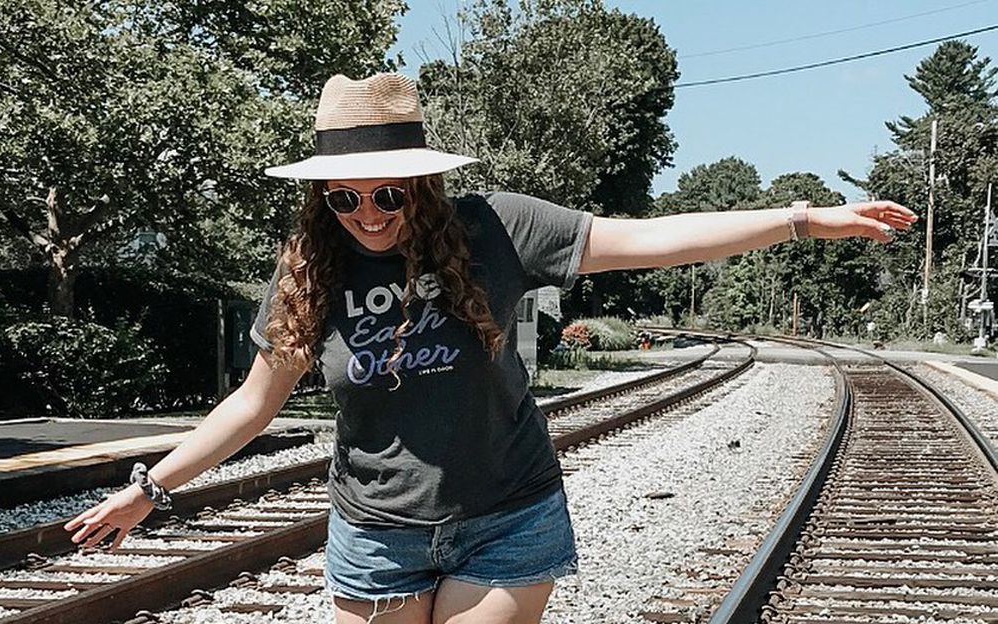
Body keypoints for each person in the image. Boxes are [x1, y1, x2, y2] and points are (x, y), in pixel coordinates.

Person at [65, 72, 917, 624]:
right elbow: (254, 404)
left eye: (389, 192)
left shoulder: (497, 229)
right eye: (344, 198)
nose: (368, 213)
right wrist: (150, 488)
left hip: (507, 516)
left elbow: (653, 238)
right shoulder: (309, 271)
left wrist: (803, 220)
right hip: (378, 531)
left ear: (422, 179)